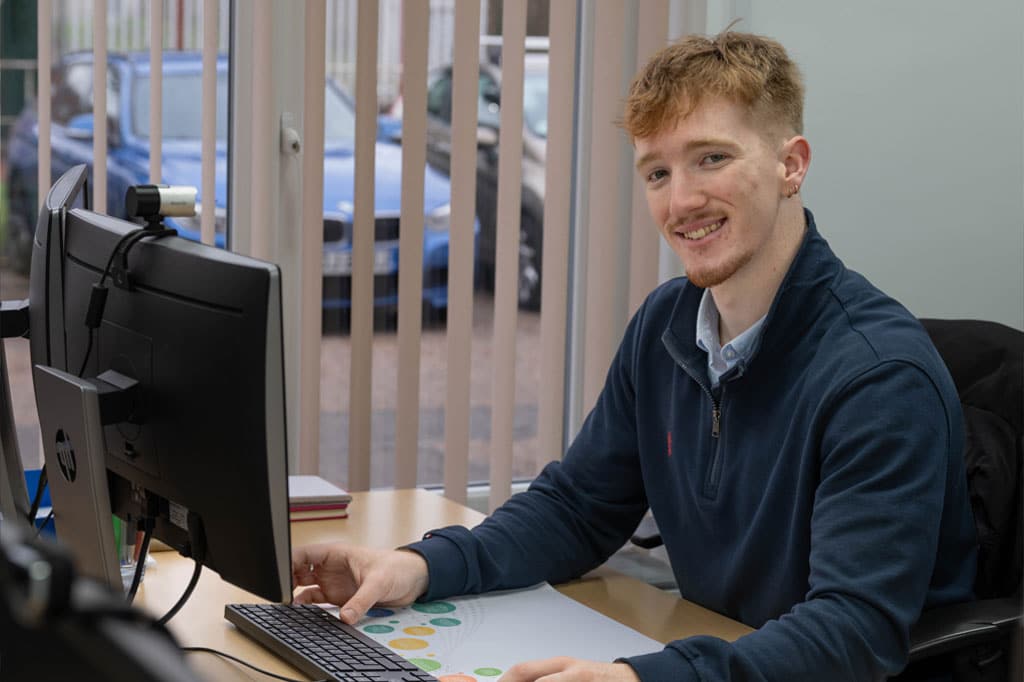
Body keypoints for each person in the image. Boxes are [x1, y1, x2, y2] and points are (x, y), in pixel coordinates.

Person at [293, 31, 977, 681]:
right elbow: (578, 509)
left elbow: (853, 634)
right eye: (657, 172)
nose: (681, 200)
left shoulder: (879, 378)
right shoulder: (667, 325)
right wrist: (419, 568)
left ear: (790, 164)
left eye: (712, 157)